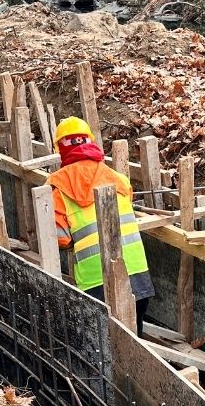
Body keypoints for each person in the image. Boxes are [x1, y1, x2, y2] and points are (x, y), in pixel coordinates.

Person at [47, 117, 155, 334]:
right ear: (90, 142)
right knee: (135, 345)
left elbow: (61, 238)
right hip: (137, 275)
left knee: (104, 352)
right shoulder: (119, 179)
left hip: (96, 283)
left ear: (60, 148)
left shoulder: (57, 184)